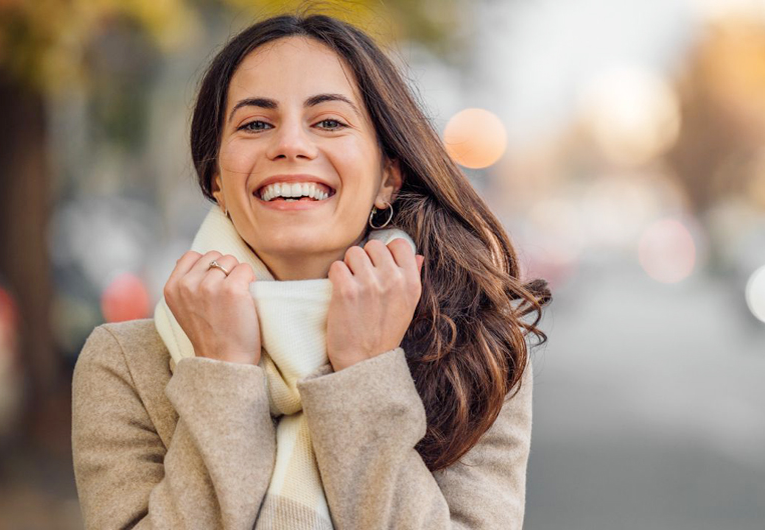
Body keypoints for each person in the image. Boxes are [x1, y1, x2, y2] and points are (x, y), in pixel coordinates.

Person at [71, 10, 551, 530]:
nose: (290, 145)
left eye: (329, 122)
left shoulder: (473, 351)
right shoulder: (124, 363)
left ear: (388, 177)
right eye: (256, 124)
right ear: (215, 180)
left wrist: (365, 374)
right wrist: (221, 374)